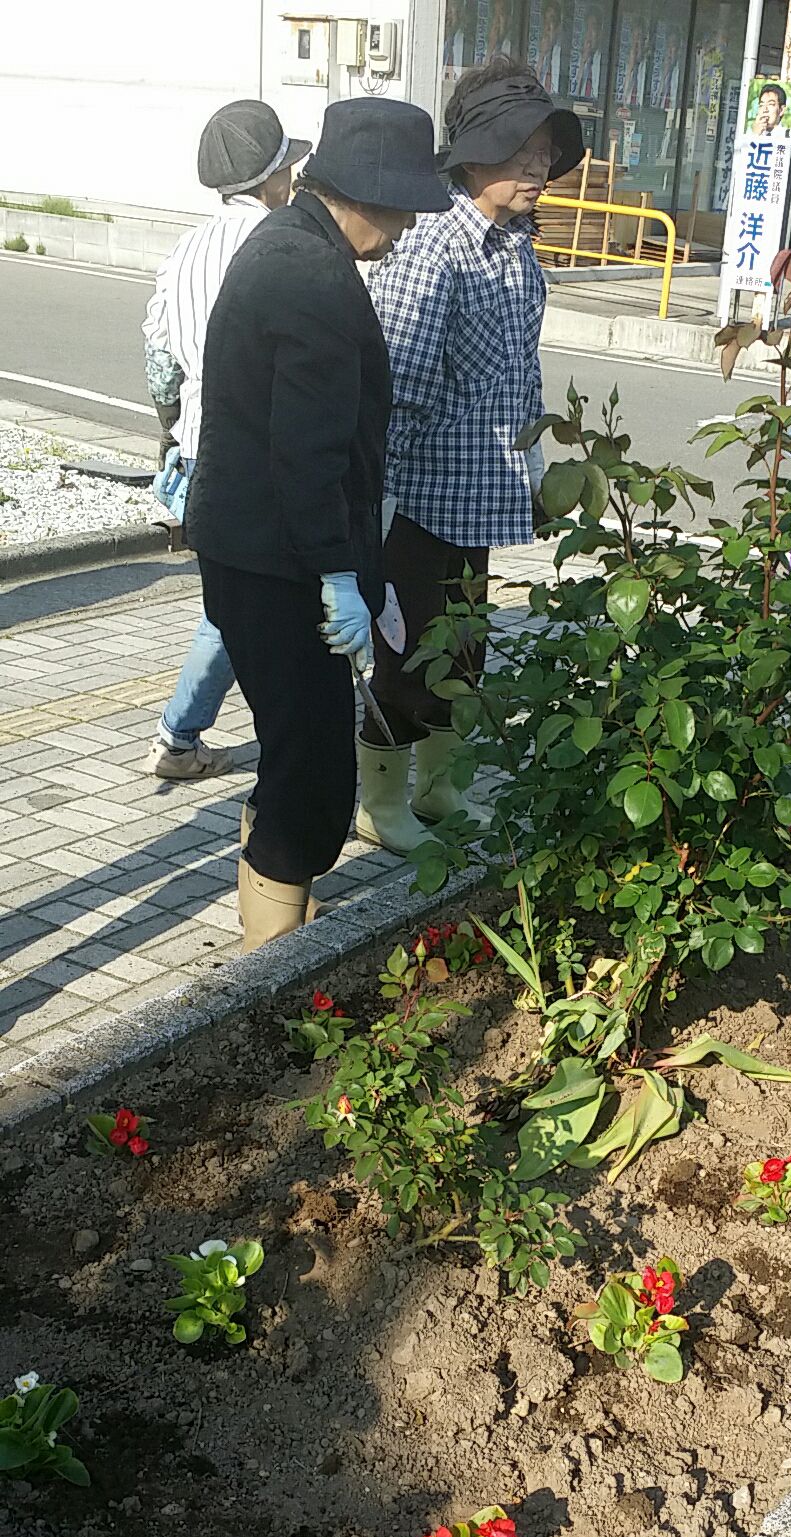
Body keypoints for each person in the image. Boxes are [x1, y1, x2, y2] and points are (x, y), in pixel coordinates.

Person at [185, 100, 449, 951]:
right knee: (312, 779)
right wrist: (337, 571)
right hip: (284, 566)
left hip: (248, 551)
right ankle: (274, 971)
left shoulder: (284, 243)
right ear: (362, 193)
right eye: (402, 206)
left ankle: (283, 919)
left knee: (294, 748)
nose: (407, 227)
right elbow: (309, 454)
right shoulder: (318, 280)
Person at [362, 56, 584, 854]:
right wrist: (372, 509)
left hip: (477, 495)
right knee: (409, 657)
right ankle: (381, 805)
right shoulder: (435, 245)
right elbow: (402, 388)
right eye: (521, 147)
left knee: (465, 651)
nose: (539, 165)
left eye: (546, 150)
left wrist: (528, 474)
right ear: (472, 154)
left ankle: (441, 790)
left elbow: (520, 375)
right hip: (417, 499)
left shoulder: (513, 243)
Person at [142, 100, 310, 780]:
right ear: (270, 178)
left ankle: (182, 738)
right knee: (245, 607)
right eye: (289, 168)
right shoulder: (281, 244)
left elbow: (159, 362)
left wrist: (172, 433)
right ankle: (183, 737)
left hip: (198, 456)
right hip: (260, 457)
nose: (294, 179)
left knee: (232, 603)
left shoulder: (184, 248)